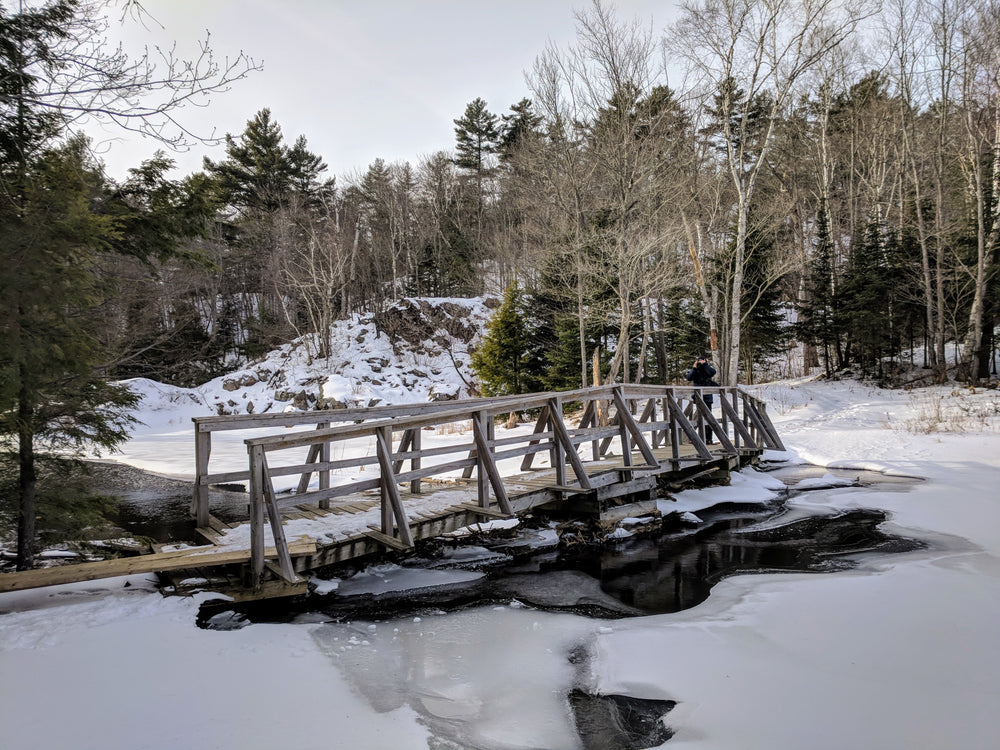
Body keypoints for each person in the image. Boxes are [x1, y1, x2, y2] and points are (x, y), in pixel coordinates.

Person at [685, 355, 718, 444]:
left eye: (702, 360)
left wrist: (705, 365)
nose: (700, 362)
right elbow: (688, 377)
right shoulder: (696, 370)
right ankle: (701, 438)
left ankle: (708, 439)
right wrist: (694, 368)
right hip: (698, 397)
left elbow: (712, 372)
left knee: (708, 418)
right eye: (699, 360)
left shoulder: (707, 369)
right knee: (700, 418)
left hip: (707, 397)